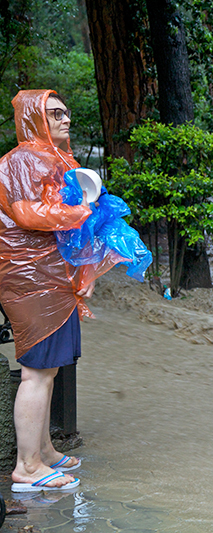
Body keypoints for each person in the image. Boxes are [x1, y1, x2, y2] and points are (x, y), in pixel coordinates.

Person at [0, 90, 100, 491]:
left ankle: (43, 452)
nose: (65, 119)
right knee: (36, 372)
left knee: (49, 369)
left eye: (66, 112)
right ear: (33, 118)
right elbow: (26, 213)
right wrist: (80, 212)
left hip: (49, 278)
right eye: (54, 113)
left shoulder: (55, 159)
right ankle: (27, 467)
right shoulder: (23, 159)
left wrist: (83, 271)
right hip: (30, 279)